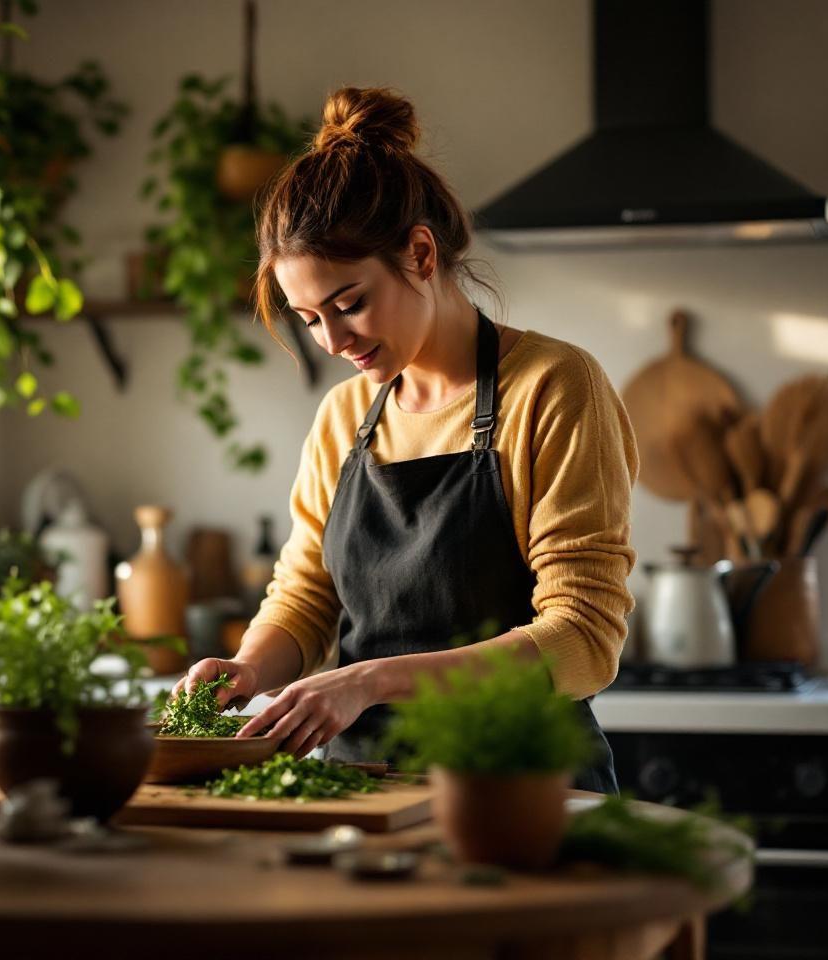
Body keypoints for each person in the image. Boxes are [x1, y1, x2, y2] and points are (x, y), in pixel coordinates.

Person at [175, 87, 638, 793]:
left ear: (421, 253)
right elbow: (305, 597)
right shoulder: (342, 416)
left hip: (522, 796)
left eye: (348, 304)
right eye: (308, 319)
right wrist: (250, 667)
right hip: (366, 791)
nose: (332, 341)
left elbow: (582, 639)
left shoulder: (553, 386)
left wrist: (369, 681)